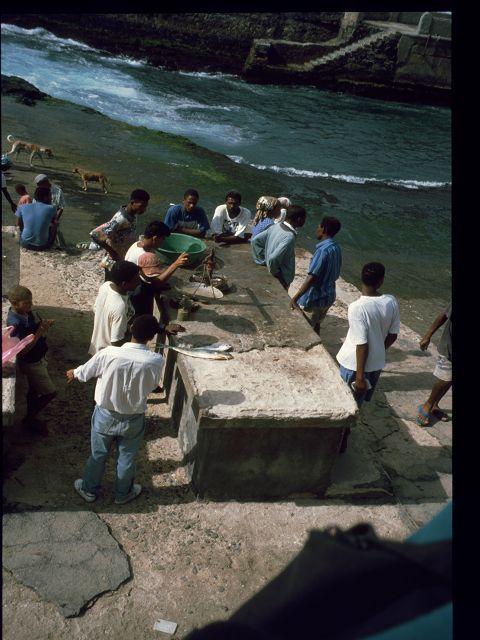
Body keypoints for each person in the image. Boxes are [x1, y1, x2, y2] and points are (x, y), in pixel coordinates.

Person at [67, 314, 165, 505]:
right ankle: (123, 494)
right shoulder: (156, 361)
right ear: (152, 337)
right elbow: (153, 385)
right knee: (127, 458)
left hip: (105, 415)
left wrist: (74, 372)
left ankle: (89, 490)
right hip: (133, 418)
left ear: (130, 328)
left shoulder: (108, 353)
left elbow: (84, 373)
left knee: (98, 454)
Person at [336, 262, 400, 452]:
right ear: (380, 281)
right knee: (357, 405)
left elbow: (361, 343)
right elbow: (394, 334)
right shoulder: (391, 301)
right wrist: (379, 349)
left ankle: (340, 439)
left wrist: (359, 376)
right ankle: (344, 435)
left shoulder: (357, 307)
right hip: (374, 366)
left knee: (345, 405)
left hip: (354, 367)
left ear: (362, 278)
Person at [6, 285, 56, 434]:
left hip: (38, 357)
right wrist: (40, 331)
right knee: (50, 393)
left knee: (33, 390)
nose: (31, 305)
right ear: (15, 304)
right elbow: (24, 349)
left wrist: (39, 325)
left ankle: (31, 420)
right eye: (26, 303)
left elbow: (31, 331)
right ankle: (28, 419)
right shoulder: (15, 324)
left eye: (30, 302)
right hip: (32, 362)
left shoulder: (25, 314)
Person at [290, 216, 342, 334]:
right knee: (317, 323)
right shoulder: (336, 248)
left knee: (305, 331)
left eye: (319, 226)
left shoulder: (322, 251)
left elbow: (312, 278)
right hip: (328, 296)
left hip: (315, 299)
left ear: (324, 229)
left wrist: (295, 298)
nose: (317, 228)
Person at [125, 220, 189, 316]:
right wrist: (176, 264)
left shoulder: (138, 244)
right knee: (142, 317)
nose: (163, 242)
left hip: (132, 284)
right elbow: (157, 284)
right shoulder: (144, 255)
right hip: (135, 292)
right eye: (162, 239)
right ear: (155, 238)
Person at [90, 188, 150, 279]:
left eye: (146, 207)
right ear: (132, 202)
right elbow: (95, 234)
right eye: (142, 206)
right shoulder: (120, 219)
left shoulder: (133, 215)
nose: (144, 209)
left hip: (123, 257)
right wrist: (112, 251)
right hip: (114, 260)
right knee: (111, 284)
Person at [88, 260, 140, 356]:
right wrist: (134, 333)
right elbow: (116, 342)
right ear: (124, 284)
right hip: (107, 356)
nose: (139, 282)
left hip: (98, 348)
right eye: (136, 280)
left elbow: (96, 309)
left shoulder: (106, 286)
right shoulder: (119, 306)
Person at [251, 205, 307, 290]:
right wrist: (276, 274)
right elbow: (273, 258)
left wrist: (262, 260)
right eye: (304, 218)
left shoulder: (275, 226)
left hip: (272, 271)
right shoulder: (289, 236)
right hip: (282, 279)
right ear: (299, 219)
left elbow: (255, 241)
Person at [416, 304, 452, 426]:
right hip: (450, 347)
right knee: (445, 378)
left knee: (450, 379)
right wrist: (428, 335)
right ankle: (428, 404)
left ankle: (435, 405)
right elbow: (444, 315)